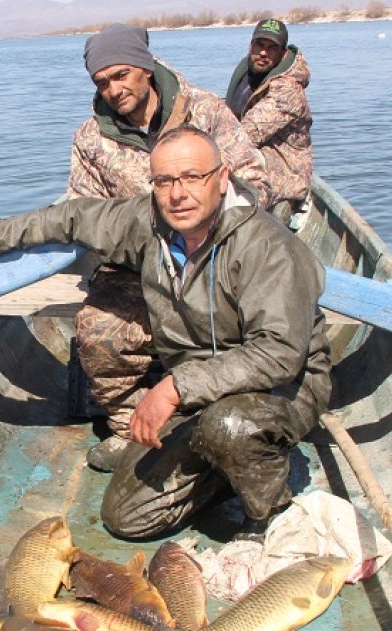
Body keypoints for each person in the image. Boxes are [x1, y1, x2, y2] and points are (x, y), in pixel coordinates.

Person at [0, 126, 331, 539]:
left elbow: (279, 354)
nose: (177, 194)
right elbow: (72, 217)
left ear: (222, 177)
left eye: (193, 177)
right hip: (201, 394)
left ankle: (270, 509)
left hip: (285, 389)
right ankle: (230, 464)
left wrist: (172, 389)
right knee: (127, 519)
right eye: (164, 181)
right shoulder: (149, 223)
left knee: (230, 427)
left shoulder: (268, 247)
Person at [66, 23, 270, 474]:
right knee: (97, 331)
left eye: (121, 75)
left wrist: (207, 231)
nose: (114, 89)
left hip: (216, 257)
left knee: (243, 331)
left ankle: (225, 420)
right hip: (137, 267)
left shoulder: (206, 111)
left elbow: (256, 181)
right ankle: (128, 427)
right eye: (102, 82)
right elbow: (83, 213)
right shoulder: (89, 139)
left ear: (144, 67)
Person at [226, 19, 313, 230]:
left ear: (282, 53)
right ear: (251, 45)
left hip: (285, 171)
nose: (263, 53)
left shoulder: (288, 91)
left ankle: (283, 211)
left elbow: (247, 133)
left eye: (271, 47)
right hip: (255, 156)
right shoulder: (248, 76)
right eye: (259, 45)